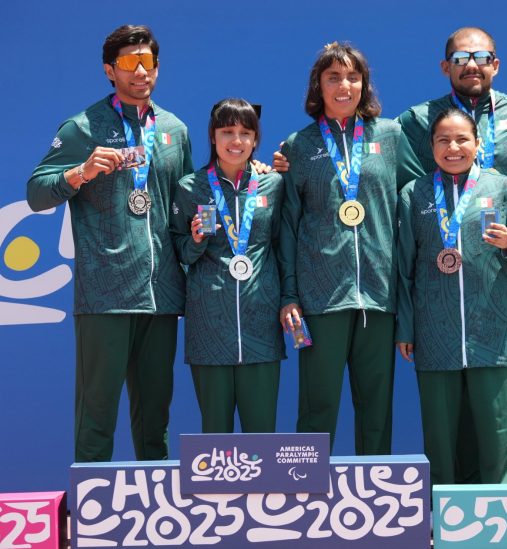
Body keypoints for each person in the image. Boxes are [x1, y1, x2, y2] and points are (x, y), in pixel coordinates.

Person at [26, 25, 192, 462]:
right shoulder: (83, 127)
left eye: (147, 61)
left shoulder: (174, 129)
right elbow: (36, 193)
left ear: (157, 66)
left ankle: (154, 503)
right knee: (97, 416)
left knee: (155, 420)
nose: (140, 71)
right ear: (109, 70)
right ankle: (92, 503)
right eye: (128, 63)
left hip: (162, 296)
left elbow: (189, 201)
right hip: (105, 296)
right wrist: (80, 172)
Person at [396, 26, 507, 483]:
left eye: (481, 56)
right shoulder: (417, 123)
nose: (472, 65)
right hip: (442, 297)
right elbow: (413, 212)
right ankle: (454, 508)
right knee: (451, 417)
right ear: (446, 66)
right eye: (461, 58)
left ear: (496, 63)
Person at [277, 42, 404, 454]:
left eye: (353, 76)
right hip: (321, 299)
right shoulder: (298, 145)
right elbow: (287, 227)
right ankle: (307, 490)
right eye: (333, 77)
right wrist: (291, 293)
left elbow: (418, 200)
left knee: (376, 412)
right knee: (318, 409)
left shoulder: (392, 135)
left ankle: (376, 490)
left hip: (379, 296)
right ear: (319, 85)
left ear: (364, 83)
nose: (344, 85)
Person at [170, 98, 285, 433]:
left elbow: (284, 246)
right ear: (212, 136)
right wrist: (195, 241)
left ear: (256, 138)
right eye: (227, 132)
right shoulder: (190, 187)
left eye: (246, 133)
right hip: (209, 326)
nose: (237, 141)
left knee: (262, 436)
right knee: (215, 436)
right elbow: (178, 251)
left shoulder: (273, 185)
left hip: (260, 323)